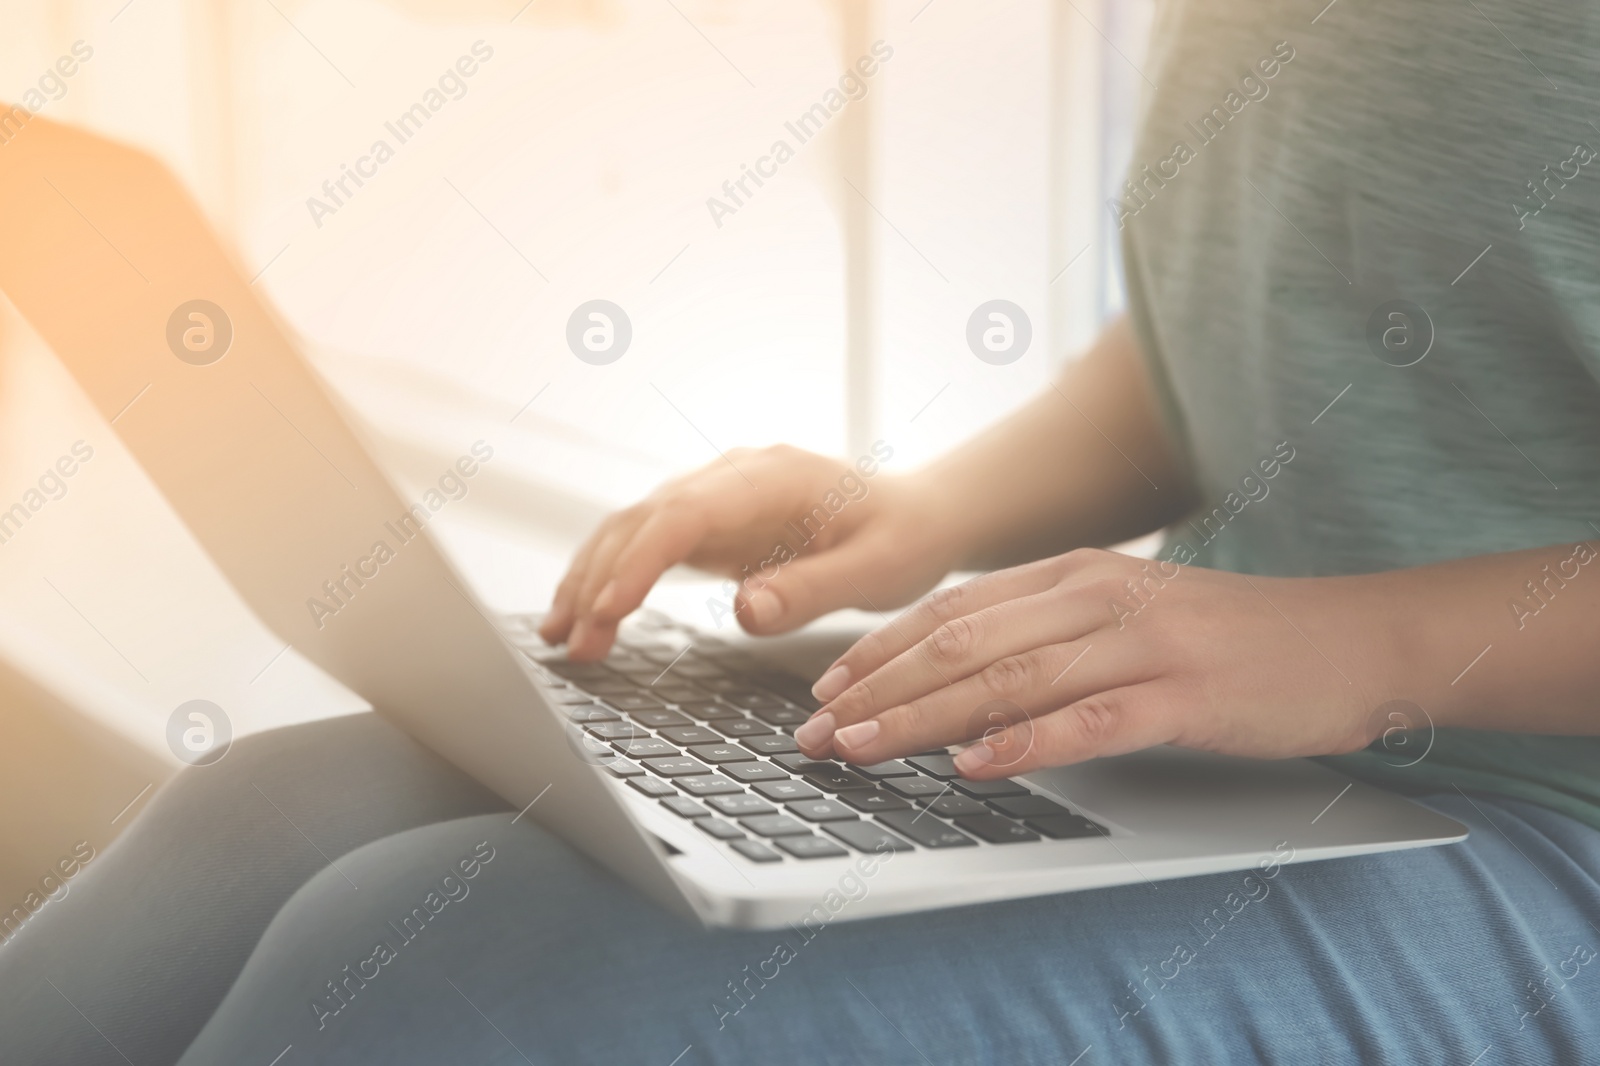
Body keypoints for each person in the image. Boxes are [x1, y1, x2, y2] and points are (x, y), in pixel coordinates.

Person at [5, 1, 1600, 1063]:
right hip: (1217, 739)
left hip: (1540, 821)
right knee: (274, 812)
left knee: (468, 975)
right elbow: (1284, 307)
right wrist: (930, 513)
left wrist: (1366, 644)